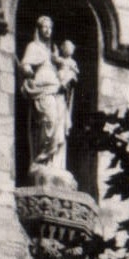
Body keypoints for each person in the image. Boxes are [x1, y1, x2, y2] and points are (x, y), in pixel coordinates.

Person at [19, 17, 78, 175]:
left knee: (60, 124)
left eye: (50, 28)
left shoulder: (53, 51)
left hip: (56, 89)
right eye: (44, 27)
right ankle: (40, 159)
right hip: (42, 89)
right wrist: (28, 71)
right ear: (38, 29)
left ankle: (53, 164)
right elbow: (25, 64)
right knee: (49, 120)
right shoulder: (33, 46)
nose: (47, 30)